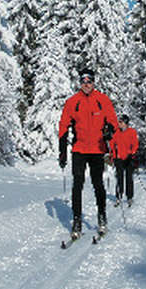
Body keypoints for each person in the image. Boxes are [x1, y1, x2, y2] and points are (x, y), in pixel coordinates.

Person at [58, 71, 118, 238]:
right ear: (80, 82)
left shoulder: (102, 100)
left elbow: (113, 121)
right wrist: (62, 150)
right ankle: (77, 220)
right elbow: (63, 126)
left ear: (93, 82)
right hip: (79, 149)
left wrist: (110, 135)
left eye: (89, 81)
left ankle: (102, 217)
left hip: (98, 150)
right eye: (83, 81)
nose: (86, 84)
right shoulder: (72, 102)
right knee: (77, 184)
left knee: (98, 183)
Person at [111, 114, 141, 206]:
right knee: (119, 177)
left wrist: (132, 153)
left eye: (121, 122)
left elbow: (135, 144)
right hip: (119, 158)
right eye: (119, 122)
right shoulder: (116, 133)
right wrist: (114, 155)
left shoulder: (132, 132)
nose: (119, 123)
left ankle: (129, 197)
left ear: (126, 123)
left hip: (129, 158)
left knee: (129, 177)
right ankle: (118, 196)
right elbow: (112, 144)